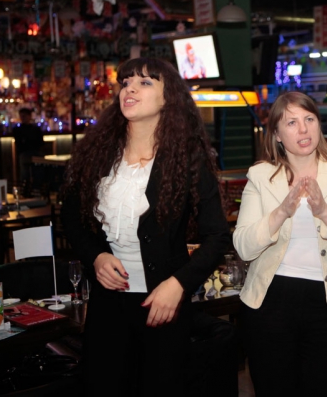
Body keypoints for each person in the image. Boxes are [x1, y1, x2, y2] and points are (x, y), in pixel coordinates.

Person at [61, 57, 231, 396]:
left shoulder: (187, 157)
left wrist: (179, 285)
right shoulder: (98, 153)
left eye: (145, 82)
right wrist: (96, 256)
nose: (131, 89)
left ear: (168, 98)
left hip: (163, 303)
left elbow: (217, 237)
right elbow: (71, 218)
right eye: (126, 82)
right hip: (107, 304)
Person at [233, 91, 327, 396]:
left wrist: (324, 211)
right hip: (270, 299)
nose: (303, 129)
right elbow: (243, 246)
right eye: (292, 122)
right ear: (277, 134)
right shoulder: (261, 176)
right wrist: (281, 211)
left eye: (309, 119)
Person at [12, 107, 44, 187]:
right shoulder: (19, 130)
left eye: (24, 116)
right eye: (21, 116)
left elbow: (40, 142)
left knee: (35, 174)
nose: (23, 118)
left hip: (31, 153)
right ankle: (30, 189)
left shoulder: (20, 130)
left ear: (29, 116)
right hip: (27, 153)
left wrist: (26, 142)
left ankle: (31, 189)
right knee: (27, 174)